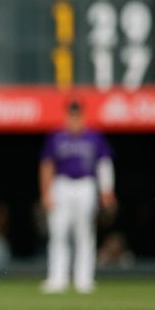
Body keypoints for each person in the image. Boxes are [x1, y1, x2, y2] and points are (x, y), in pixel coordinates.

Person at [39, 99, 117, 294]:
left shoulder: (94, 137)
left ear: (82, 116)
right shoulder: (56, 137)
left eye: (77, 115)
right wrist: (46, 192)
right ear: (66, 116)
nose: (74, 119)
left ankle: (84, 280)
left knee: (85, 234)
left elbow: (104, 163)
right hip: (62, 185)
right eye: (71, 115)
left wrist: (106, 189)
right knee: (58, 233)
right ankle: (57, 279)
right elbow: (47, 165)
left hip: (86, 185)